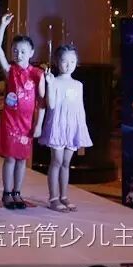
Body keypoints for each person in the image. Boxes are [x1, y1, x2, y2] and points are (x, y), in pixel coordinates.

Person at [0, 12, 46, 210]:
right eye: (15, 50)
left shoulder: (37, 74)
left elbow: (42, 101)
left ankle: (17, 192)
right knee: (10, 158)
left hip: (27, 123)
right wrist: (3, 26)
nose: (19, 54)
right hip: (10, 121)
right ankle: (7, 192)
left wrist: (38, 125)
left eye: (23, 51)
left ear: (31, 52)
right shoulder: (10, 70)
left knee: (22, 159)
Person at [38, 44, 92, 212]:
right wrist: (49, 84)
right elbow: (51, 105)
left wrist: (81, 132)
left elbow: (80, 109)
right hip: (58, 126)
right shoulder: (54, 81)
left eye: (72, 61)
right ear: (57, 62)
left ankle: (64, 196)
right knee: (56, 161)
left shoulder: (78, 84)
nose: (69, 65)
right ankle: (53, 198)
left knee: (66, 163)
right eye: (64, 61)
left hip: (73, 127)